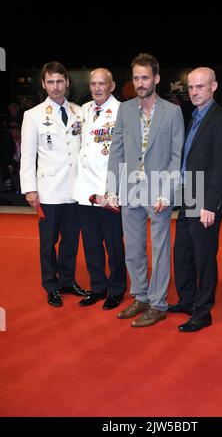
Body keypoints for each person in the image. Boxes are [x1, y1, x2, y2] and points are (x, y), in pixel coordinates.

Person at [106, 53, 184, 327]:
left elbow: (176, 156)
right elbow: (115, 152)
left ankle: (158, 303)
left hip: (158, 191)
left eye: (145, 77)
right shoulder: (125, 110)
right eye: (136, 77)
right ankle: (140, 296)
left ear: (157, 79)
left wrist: (167, 191)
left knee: (160, 247)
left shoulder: (172, 112)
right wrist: (112, 188)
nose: (140, 83)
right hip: (129, 188)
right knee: (134, 248)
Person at [168, 68, 222, 332]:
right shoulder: (193, 115)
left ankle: (203, 311)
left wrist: (210, 204)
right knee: (182, 252)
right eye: (191, 87)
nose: (194, 92)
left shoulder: (221, 118)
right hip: (188, 191)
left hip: (205, 196)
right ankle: (187, 300)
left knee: (204, 256)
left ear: (214, 87)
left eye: (200, 87)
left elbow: (221, 165)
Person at [20, 61, 88, 307]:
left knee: (71, 240)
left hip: (75, 190)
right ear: (43, 84)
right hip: (48, 191)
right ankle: (51, 284)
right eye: (51, 82)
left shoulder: (80, 112)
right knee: (48, 243)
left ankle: (68, 280)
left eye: (60, 81)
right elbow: (27, 156)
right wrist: (30, 189)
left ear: (67, 82)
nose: (56, 86)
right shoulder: (33, 115)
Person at [73, 68, 127, 310]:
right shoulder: (83, 110)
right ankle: (98, 287)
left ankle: (116, 289)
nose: (96, 88)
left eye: (101, 84)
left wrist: (115, 190)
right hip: (85, 189)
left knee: (114, 244)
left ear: (112, 85)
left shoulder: (123, 111)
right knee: (91, 243)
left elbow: (126, 155)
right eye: (93, 83)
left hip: (109, 190)